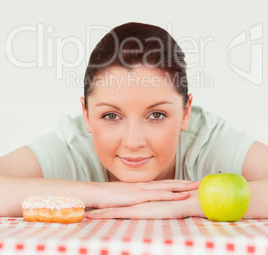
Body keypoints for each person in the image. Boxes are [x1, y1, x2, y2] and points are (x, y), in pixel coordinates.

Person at [0, 22, 267, 219]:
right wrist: (104, 194)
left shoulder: (206, 139)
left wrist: (189, 204)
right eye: (111, 116)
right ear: (86, 116)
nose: (134, 141)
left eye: (157, 115)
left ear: (186, 113)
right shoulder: (74, 144)